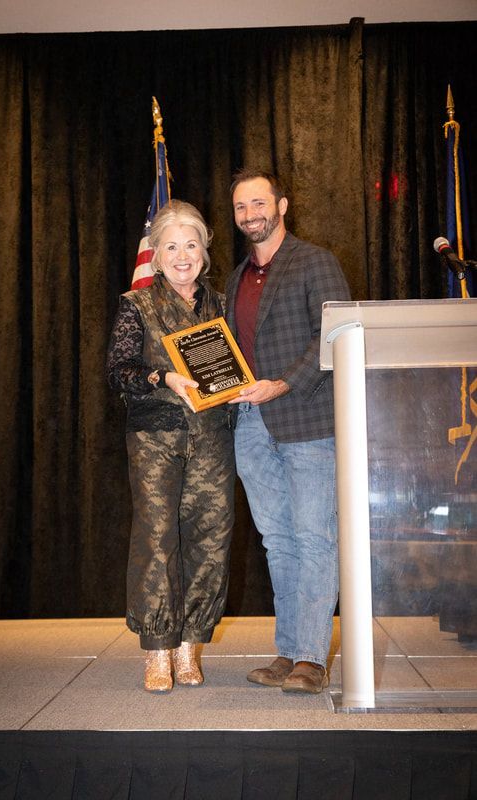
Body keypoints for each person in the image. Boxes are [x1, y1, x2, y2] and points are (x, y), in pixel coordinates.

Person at [226, 169, 351, 693]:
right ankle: (288, 649)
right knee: (278, 542)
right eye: (240, 207)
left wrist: (281, 384)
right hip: (250, 425)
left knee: (314, 538)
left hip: (306, 421)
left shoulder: (314, 261)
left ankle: (312, 659)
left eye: (259, 202)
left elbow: (336, 336)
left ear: (281, 205)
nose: (250, 213)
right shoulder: (235, 278)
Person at [106, 200, 235, 693]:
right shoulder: (135, 306)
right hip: (156, 437)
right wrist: (164, 377)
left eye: (192, 244)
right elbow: (118, 373)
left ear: (205, 251)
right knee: (157, 539)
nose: (183, 255)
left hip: (213, 438)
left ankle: (189, 648)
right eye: (172, 246)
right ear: (155, 256)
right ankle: (158, 649)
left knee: (210, 538)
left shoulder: (223, 305)